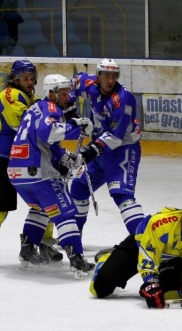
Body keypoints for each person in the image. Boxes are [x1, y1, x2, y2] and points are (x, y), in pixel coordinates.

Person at [0, 60, 63, 274]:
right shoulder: (9, 96)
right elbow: (26, 126)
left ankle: (45, 243)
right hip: (2, 158)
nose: (29, 82)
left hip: (27, 159)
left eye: (31, 78)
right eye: (24, 79)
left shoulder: (33, 99)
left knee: (45, 202)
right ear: (15, 79)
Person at [7, 74, 96, 279]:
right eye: (63, 93)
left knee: (41, 209)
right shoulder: (51, 108)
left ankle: (28, 250)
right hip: (38, 172)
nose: (67, 97)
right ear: (51, 94)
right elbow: (49, 132)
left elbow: (46, 143)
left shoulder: (35, 109)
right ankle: (77, 260)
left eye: (68, 93)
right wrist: (77, 126)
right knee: (65, 213)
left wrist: (65, 158)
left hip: (17, 172)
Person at [89, 193, 182, 309]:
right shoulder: (160, 224)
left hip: (170, 258)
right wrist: (151, 283)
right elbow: (147, 254)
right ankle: (106, 258)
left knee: (173, 295)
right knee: (99, 289)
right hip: (138, 247)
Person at [69, 58, 144, 236]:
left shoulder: (123, 99)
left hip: (123, 150)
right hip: (101, 149)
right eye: (106, 76)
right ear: (98, 76)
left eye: (114, 76)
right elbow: (72, 84)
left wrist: (93, 149)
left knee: (122, 195)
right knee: (78, 188)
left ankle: (145, 241)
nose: (110, 80)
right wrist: (70, 110)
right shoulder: (88, 84)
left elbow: (116, 135)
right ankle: (74, 237)